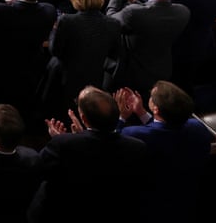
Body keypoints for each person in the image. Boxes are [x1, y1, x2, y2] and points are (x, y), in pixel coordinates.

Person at [30, 87, 150, 223]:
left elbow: (37, 170)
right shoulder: (138, 148)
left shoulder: (62, 144)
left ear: (83, 119)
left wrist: (65, 141)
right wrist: (77, 138)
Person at [114, 81, 213, 222]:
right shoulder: (197, 127)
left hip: (149, 205)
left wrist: (121, 117)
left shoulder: (134, 134)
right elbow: (161, 130)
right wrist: (141, 112)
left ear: (156, 109)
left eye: (151, 97)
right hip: (187, 201)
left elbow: (112, 144)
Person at [106, 0, 191, 95]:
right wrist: (133, 1)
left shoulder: (133, 13)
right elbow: (155, 14)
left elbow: (110, 23)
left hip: (132, 75)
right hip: (162, 70)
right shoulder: (183, 11)